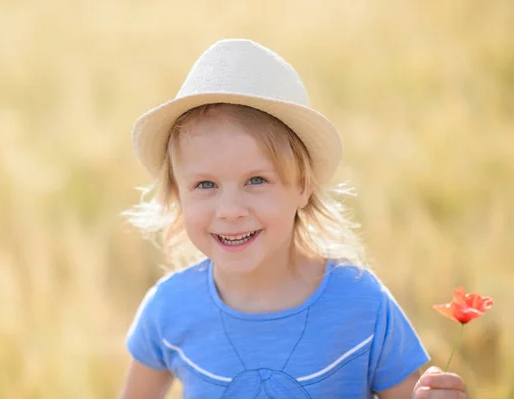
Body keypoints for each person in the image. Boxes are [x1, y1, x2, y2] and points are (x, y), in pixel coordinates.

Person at [120, 39, 468, 398]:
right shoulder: (169, 309)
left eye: (256, 180)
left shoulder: (362, 305)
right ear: (178, 195)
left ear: (302, 186)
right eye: (204, 184)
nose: (230, 209)